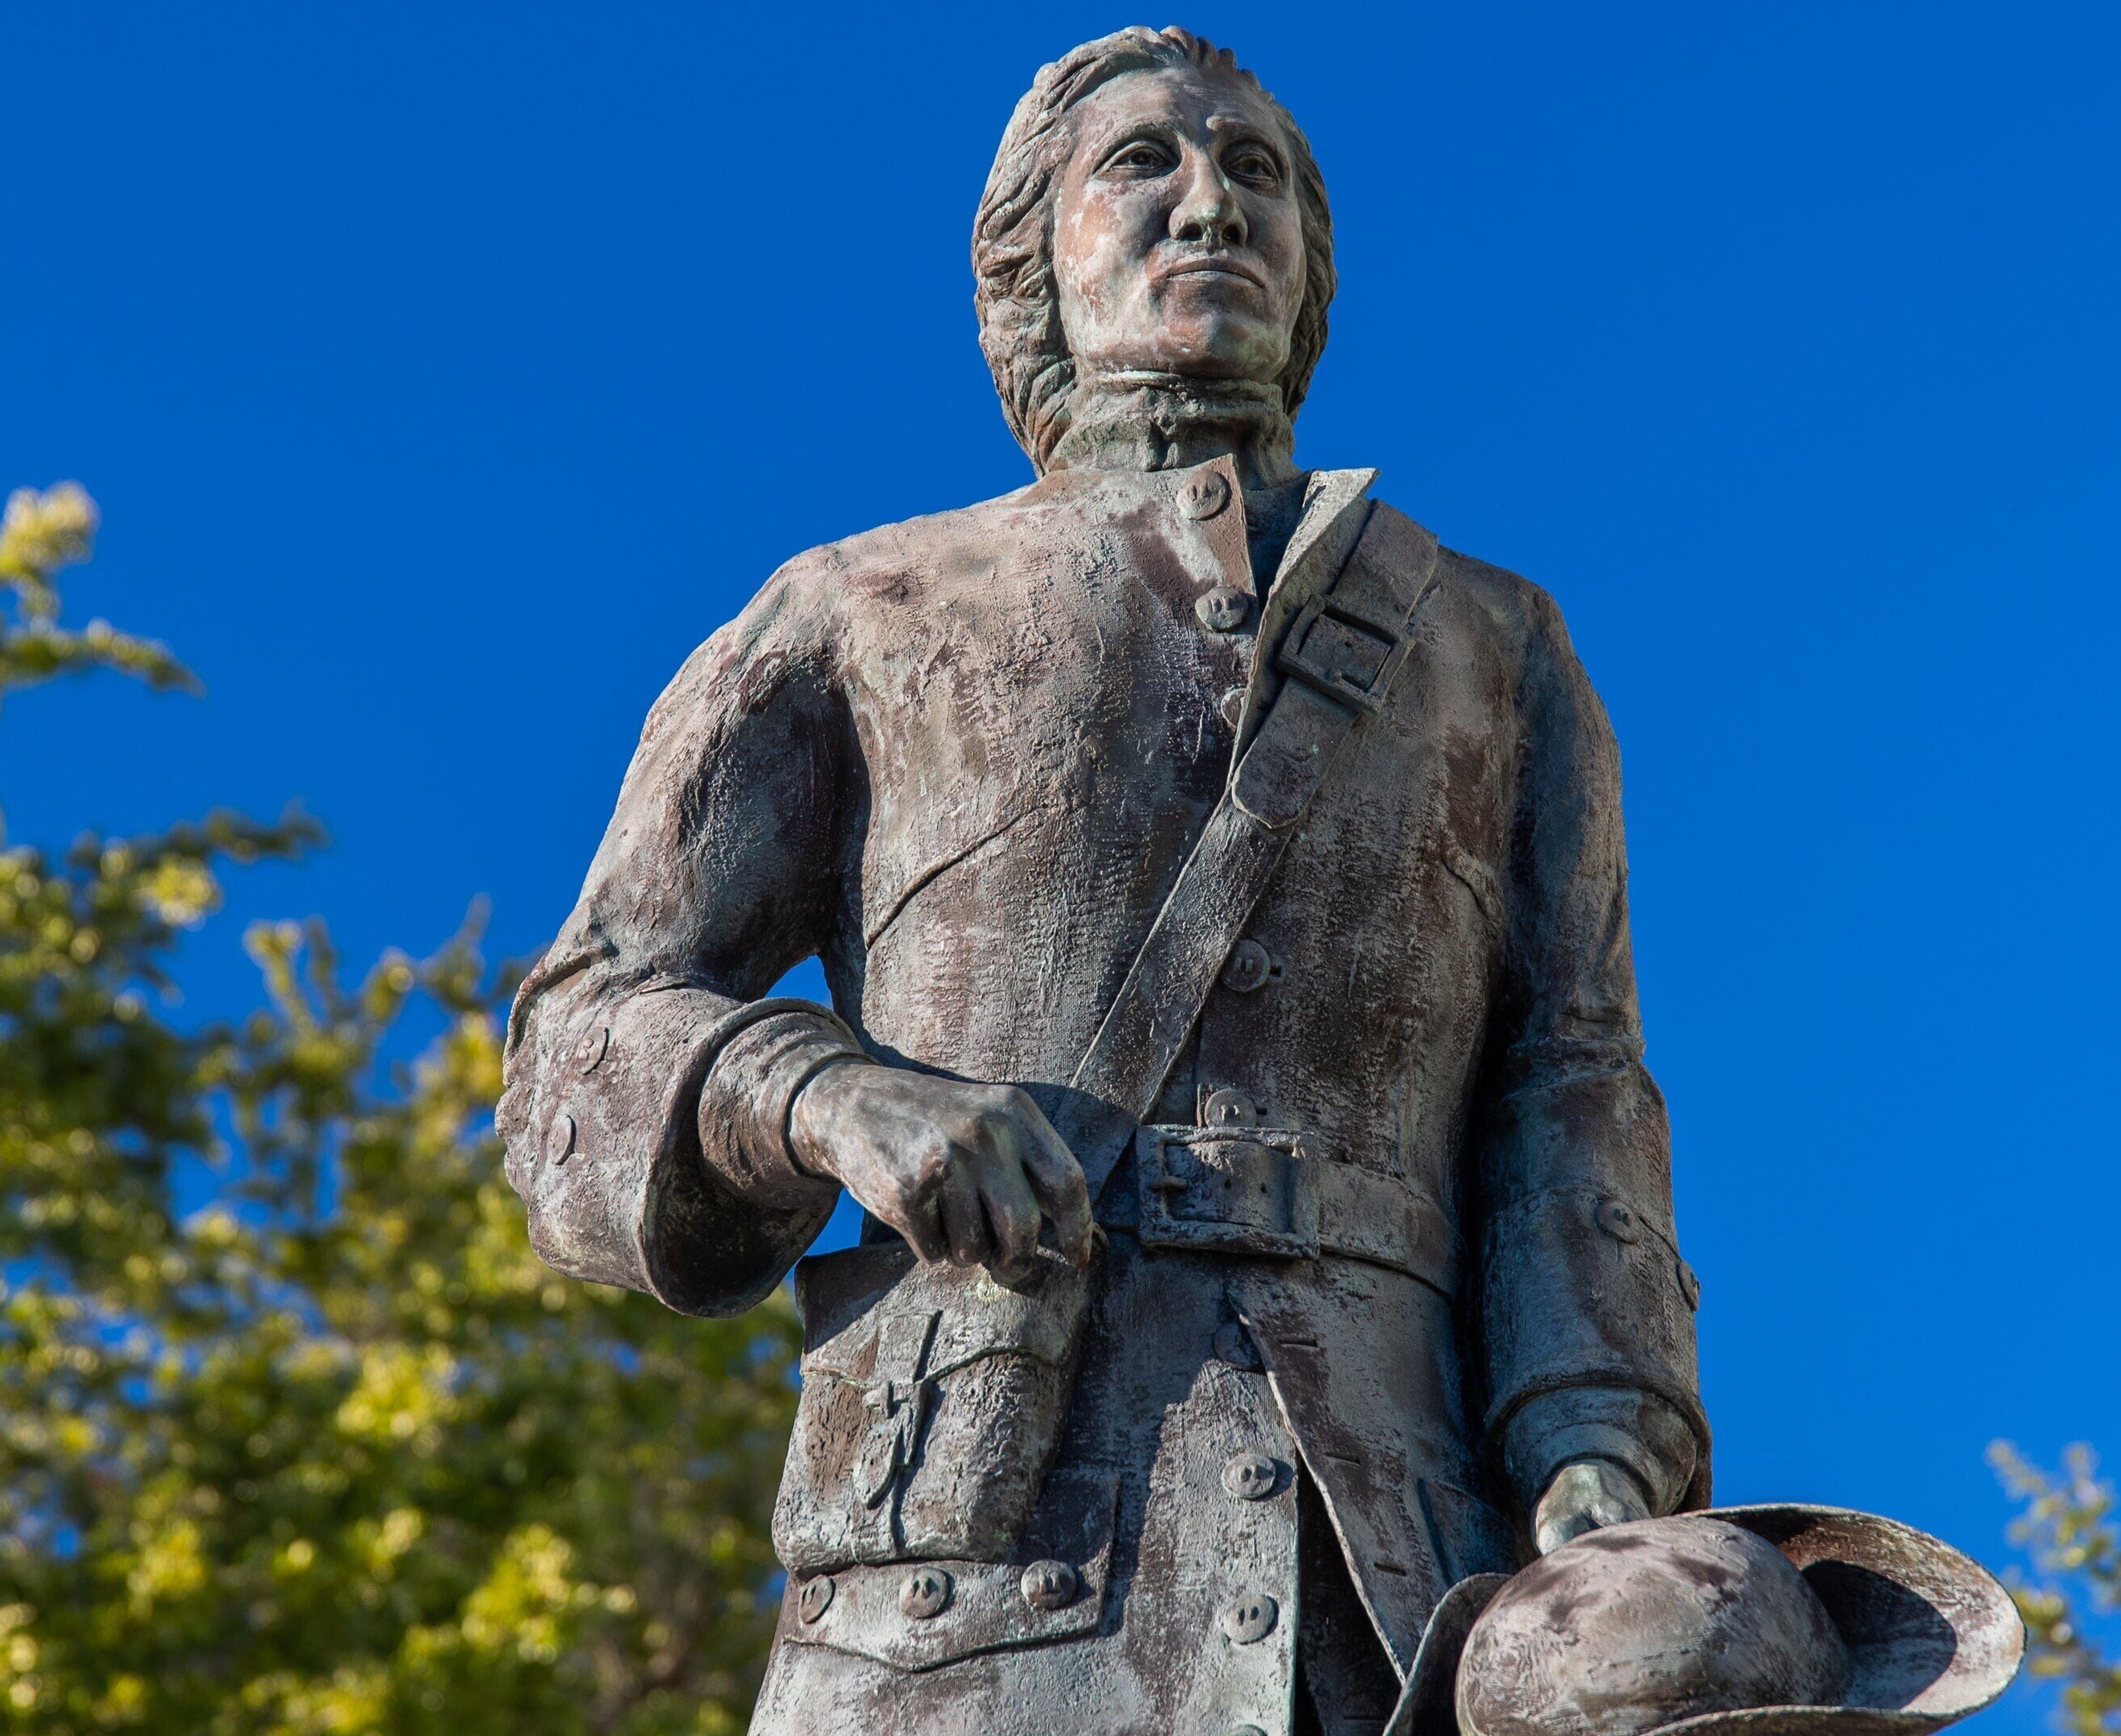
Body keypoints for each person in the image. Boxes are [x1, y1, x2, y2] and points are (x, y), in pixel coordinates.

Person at [499, 27, 1705, 1734]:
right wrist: (834, 1098)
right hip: (963, 1583)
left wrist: (1599, 1450)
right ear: (1030, 267)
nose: (1213, 204)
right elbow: (573, 1048)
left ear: (1311, 270)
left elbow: (1571, 1086)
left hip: (1398, 1590)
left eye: (1258, 173)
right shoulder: (862, 608)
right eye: (1144, 163)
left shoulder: (1494, 646)